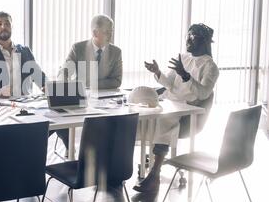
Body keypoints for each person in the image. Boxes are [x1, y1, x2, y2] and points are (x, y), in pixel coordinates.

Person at [133, 23, 219, 193]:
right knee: (137, 109)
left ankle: (154, 175)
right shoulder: (183, 57)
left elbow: (203, 93)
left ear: (204, 41)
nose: (188, 39)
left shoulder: (211, 67)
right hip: (168, 100)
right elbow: (169, 84)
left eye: (193, 36)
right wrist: (157, 72)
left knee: (164, 119)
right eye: (188, 35)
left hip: (187, 108)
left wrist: (186, 75)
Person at [0, 11, 69, 147]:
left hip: (24, 102)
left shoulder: (24, 50)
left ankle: (67, 152)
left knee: (59, 117)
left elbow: (37, 73)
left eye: (7, 23)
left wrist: (46, 86)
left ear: (12, 27)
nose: (3, 27)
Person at [58, 15, 122, 90]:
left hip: (106, 96)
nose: (110, 35)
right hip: (82, 95)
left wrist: (90, 84)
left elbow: (117, 81)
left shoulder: (116, 52)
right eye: (106, 32)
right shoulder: (78, 48)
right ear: (95, 33)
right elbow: (65, 71)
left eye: (111, 31)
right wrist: (63, 85)